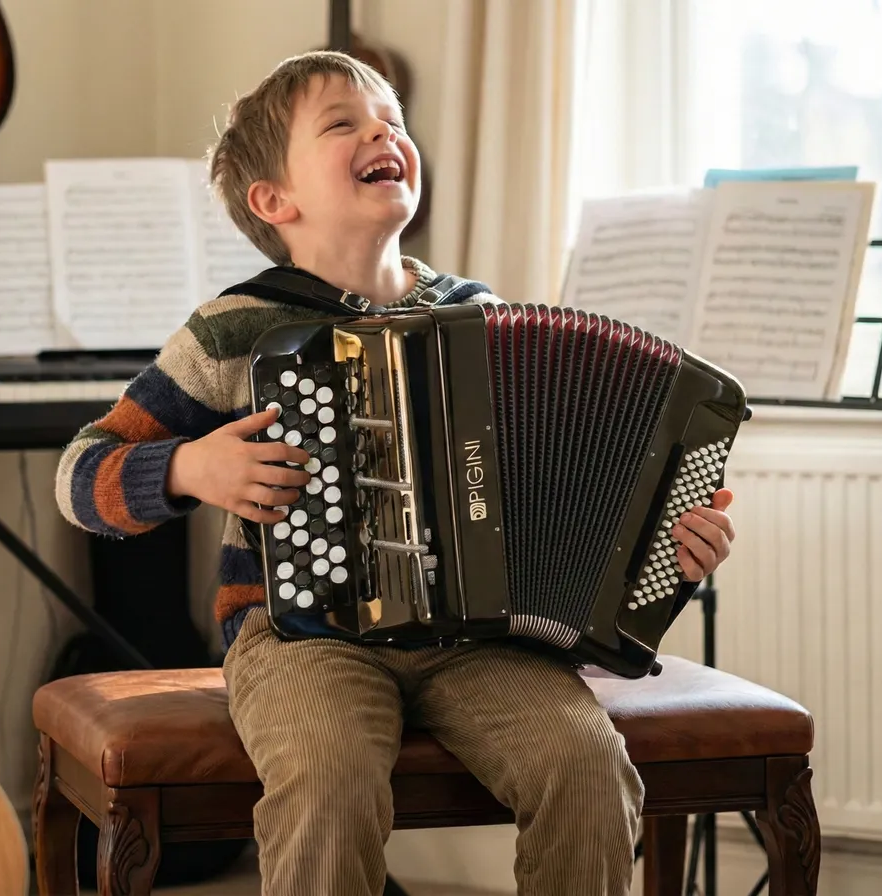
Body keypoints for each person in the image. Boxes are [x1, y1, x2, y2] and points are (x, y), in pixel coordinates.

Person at [54, 50, 738, 896]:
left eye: (393, 120)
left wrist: (665, 545)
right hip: (300, 636)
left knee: (587, 766)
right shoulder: (233, 328)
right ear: (274, 199)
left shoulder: (479, 317)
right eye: (344, 122)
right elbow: (84, 474)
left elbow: (567, 501)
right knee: (329, 776)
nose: (383, 130)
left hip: (478, 638)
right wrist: (193, 466)